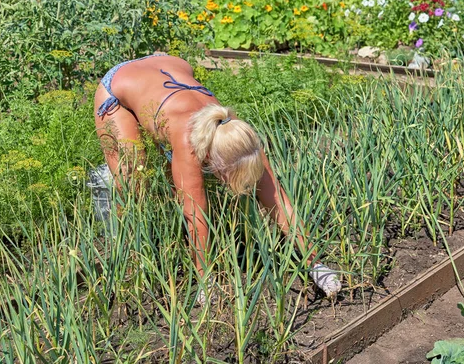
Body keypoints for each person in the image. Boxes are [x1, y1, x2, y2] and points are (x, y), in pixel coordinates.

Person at [94, 53, 340, 302]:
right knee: (133, 182)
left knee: (175, 178)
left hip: (165, 68)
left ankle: (174, 230)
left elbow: (278, 201)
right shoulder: (187, 141)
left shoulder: (238, 135)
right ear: (214, 161)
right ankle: (120, 244)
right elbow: (196, 214)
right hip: (118, 88)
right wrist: (206, 280)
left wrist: (316, 266)